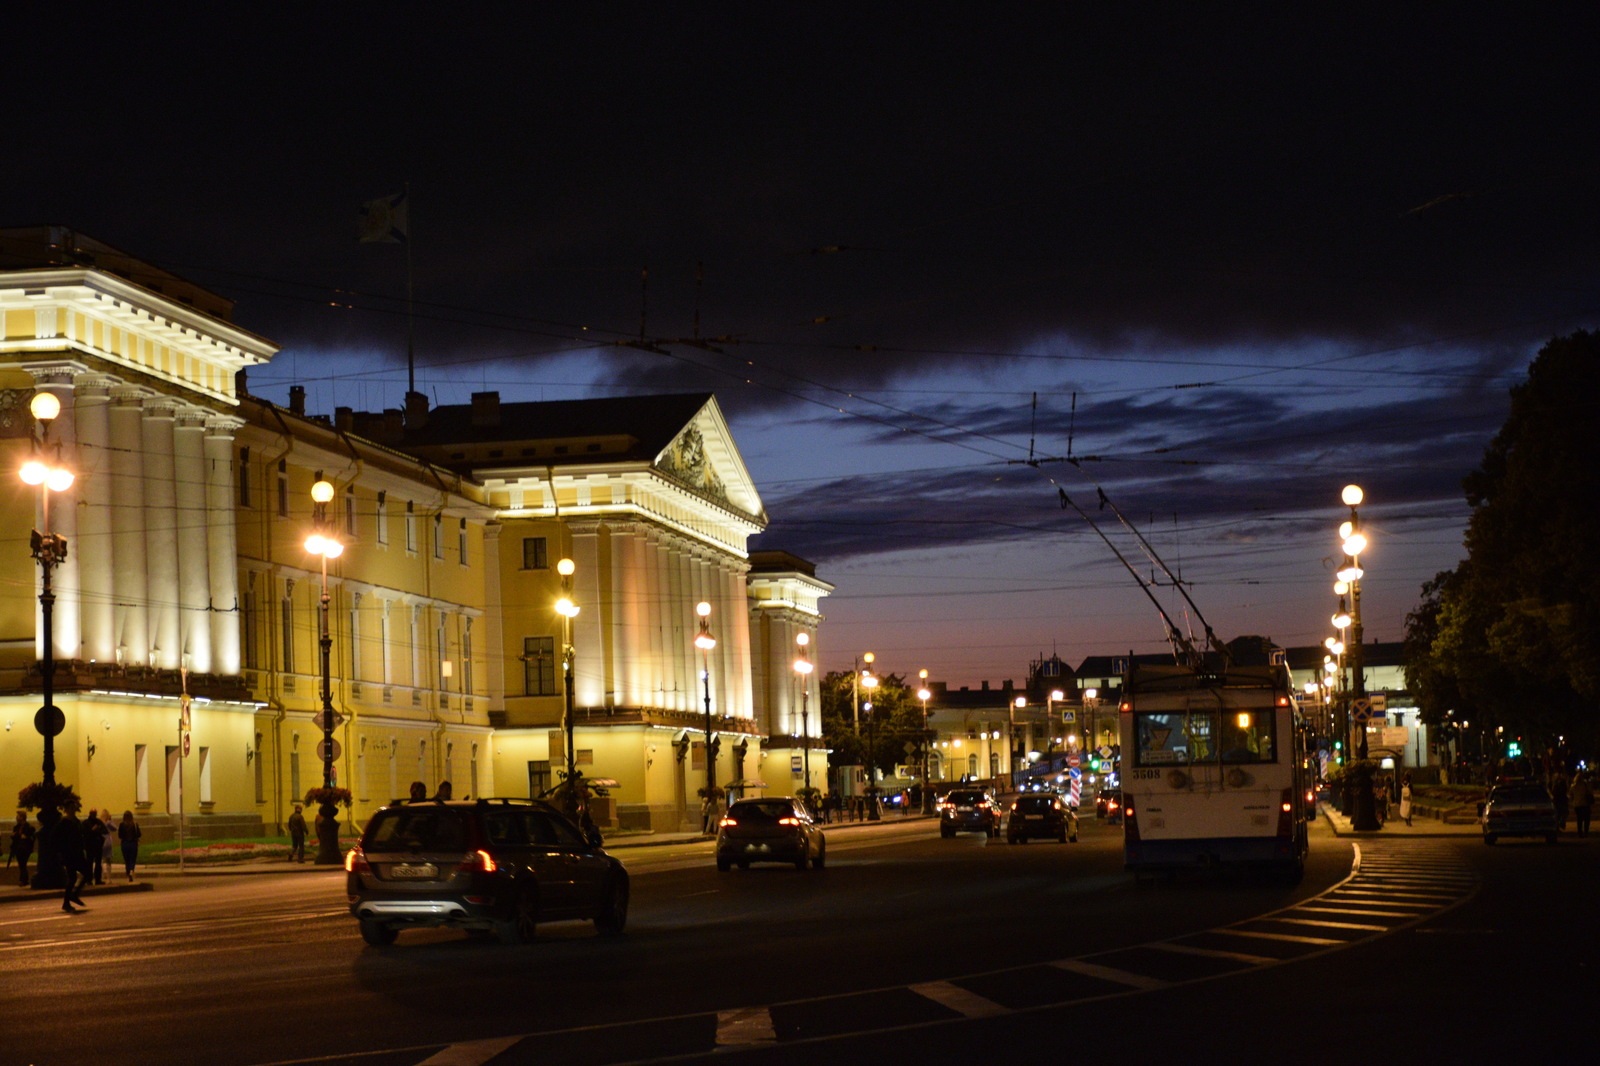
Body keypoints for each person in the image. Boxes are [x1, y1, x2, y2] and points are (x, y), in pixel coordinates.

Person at [56, 809, 87, 912]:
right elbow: (58, 839)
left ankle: (73, 896)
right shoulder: (63, 823)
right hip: (69, 855)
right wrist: (61, 853)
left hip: (77, 854)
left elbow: (80, 835)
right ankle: (68, 900)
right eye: (71, 807)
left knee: (86, 874)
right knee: (73, 878)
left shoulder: (76, 821)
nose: (73, 810)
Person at [9, 811, 35, 887]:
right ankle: (24, 880)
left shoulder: (28, 827)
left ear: (22, 817)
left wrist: (23, 836)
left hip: (25, 849)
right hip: (18, 849)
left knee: (23, 864)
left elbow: (30, 837)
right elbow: (15, 837)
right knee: (22, 864)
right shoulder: (16, 827)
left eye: (18, 816)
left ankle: (22, 880)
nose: (16, 817)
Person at [82, 808, 107, 886]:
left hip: (98, 845)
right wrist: (92, 830)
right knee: (89, 863)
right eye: (93, 813)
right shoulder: (86, 823)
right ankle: (89, 879)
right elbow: (84, 833)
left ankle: (98, 879)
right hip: (90, 845)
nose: (94, 815)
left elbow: (105, 831)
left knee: (98, 863)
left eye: (95, 813)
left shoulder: (99, 822)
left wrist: (99, 831)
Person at [117, 810, 141, 881]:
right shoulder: (135, 824)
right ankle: (131, 870)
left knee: (126, 860)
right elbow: (139, 834)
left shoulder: (121, 824)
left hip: (124, 844)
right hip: (133, 843)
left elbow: (119, 835)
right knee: (132, 859)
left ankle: (128, 873)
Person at [1569, 772, 1593, 838]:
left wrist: (1573, 801)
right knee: (1586, 819)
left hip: (1577, 805)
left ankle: (1580, 832)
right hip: (1585, 804)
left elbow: (1571, 795)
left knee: (1579, 819)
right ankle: (1586, 832)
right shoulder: (1585, 785)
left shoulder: (1573, 786)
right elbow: (1590, 793)